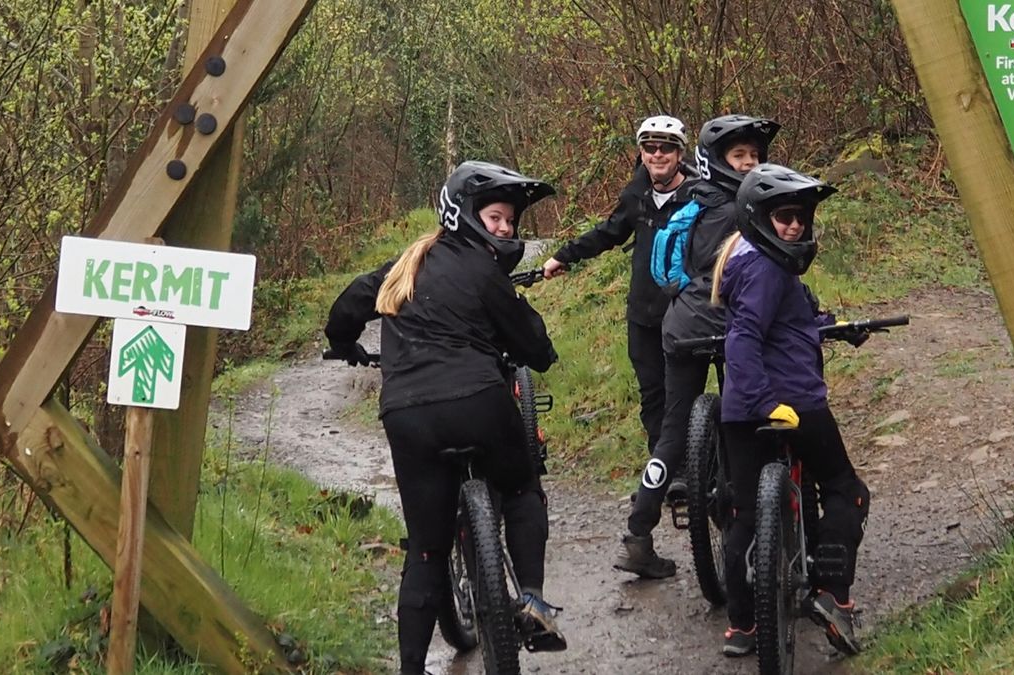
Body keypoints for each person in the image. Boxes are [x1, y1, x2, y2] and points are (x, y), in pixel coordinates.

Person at [324, 161, 568, 674]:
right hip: (479, 401)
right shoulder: (485, 273)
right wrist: (540, 353)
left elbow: (350, 302)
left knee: (427, 551)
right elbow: (535, 347)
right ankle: (533, 600)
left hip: (407, 415)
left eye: (510, 222)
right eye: (496, 218)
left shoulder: (407, 263)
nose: (504, 229)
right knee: (522, 487)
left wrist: (343, 343)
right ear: (464, 213)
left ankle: (411, 667)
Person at [711, 163, 870, 657]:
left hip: (740, 411)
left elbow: (794, 316)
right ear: (759, 216)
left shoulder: (750, 259)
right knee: (847, 490)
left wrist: (835, 324)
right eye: (785, 216)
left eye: (801, 217)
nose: (796, 225)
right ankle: (831, 593)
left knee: (743, 515)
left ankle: (742, 626)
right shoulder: (766, 267)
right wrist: (769, 402)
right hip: (790, 402)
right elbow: (744, 339)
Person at [615, 115, 780, 579]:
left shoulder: (693, 198)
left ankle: (638, 532)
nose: (748, 164)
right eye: (739, 156)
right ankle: (755, 517)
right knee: (748, 413)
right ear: (718, 160)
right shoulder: (747, 209)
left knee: (672, 431)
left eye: (754, 156)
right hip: (730, 322)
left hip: (680, 322)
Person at [542, 115, 695, 461]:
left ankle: (695, 466)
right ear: (641, 153)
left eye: (666, 148)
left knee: (682, 395)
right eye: (650, 148)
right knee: (653, 396)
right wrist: (564, 256)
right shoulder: (636, 196)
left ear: (680, 153)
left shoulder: (697, 198)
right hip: (643, 314)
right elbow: (609, 233)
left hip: (686, 313)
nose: (658, 155)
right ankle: (664, 471)